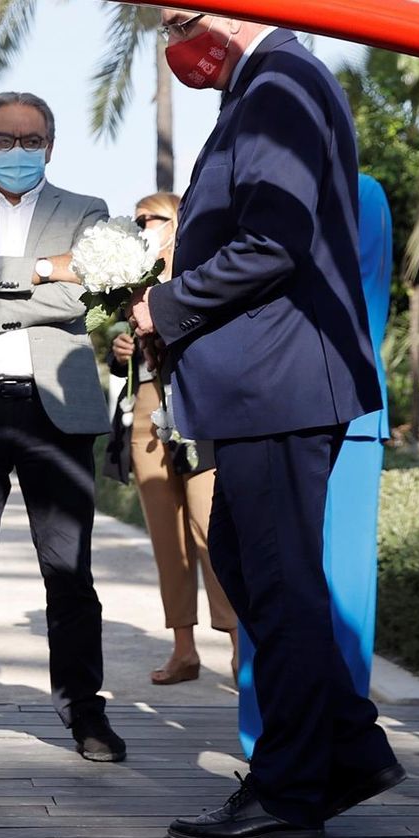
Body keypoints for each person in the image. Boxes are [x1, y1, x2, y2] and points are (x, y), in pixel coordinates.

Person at [132, 11, 403, 838]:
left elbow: (272, 241)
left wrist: (166, 304)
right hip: (263, 387)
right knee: (260, 575)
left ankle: (289, 791)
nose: (176, 38)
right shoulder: (263, 83)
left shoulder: (280, 81)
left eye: (183, 19)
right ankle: (348, 749)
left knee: (278, 585)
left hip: (281, 383)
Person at [0, 91, 124, 763]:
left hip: (55, 411)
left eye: (28, 139)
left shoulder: (85, 211)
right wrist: (40, 271)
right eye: (3, 140)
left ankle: (85, 713)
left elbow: (83, 295)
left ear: (50, 146)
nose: (16, 151)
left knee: (67, 571)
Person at [239, 173, 393, 757]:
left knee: (318, 585)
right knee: (286, 578)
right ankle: (282, 737)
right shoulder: (333, 190)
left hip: (314, 408)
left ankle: (310, 740)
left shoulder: (351, 192)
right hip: (329, 407)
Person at [108, 192, 237, 687]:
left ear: (178, 221)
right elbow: (125, 348)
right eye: (137, 218)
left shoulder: (201, 268)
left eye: (153, 218)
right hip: (145, 404)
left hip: (195, 403)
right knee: (166, 535)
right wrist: (124, 347)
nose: (144, 225)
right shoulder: (129, 278)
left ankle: (238, 647)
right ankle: (184, 650)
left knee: (212, 530)